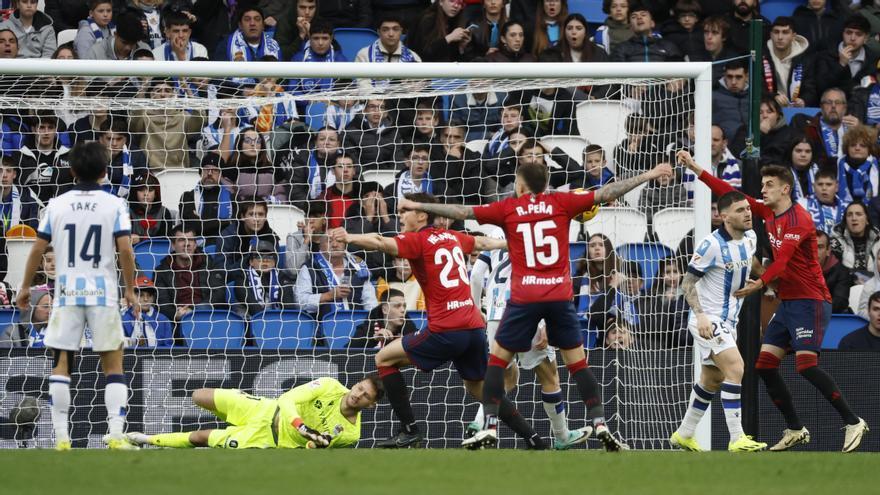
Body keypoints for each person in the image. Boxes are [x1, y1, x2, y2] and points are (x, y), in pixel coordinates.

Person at [401, 161, 674, 451]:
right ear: (545, 184)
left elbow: (461, 212)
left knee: (497, 363)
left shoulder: (508, 209)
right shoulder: (562, 201)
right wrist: (649, 174)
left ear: (520, 185)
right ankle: (599, 423)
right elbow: (607, 193)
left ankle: (490, 426)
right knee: (577, 365)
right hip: (558, 297)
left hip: (523, 299)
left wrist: (414, 203)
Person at [678, 149, 869, 452]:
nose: (762, 190)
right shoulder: (767, 213)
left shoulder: (801, 219)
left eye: (768, 185)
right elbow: (729, 193)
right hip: (788, 302)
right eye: (763, 185)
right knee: (765, 366)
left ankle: (853, 420)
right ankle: (795, 428)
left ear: (785, 189)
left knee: (806, 365)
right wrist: (696, 169)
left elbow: (782, 263)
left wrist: (760, 284)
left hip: (811, 300)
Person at [331, 192, 545, 449]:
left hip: (447, 329)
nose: (400, 217)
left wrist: (350, 236)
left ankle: (409, 430)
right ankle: (533, 438)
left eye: (404, 211)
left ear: (421, 215)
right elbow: (482, 243)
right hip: (473, 328)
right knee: (478, 389)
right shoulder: (453, 237)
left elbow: (380, 241)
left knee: (383, 359)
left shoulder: (418, 240)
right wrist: (511, 244)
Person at [15, 141, 139, 451]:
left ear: (71, 170)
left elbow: (38, 248)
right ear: (105, 172)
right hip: (103, 293)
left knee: (62, 364)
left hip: (68, 293)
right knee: (113, 365)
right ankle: (114, 434)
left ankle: (61, 437)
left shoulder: (57, 204)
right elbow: (125, 249)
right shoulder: (114, 204)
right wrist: (130, 289)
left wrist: (26, 287)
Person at [468, 232, 592, 449]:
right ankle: (562, 436)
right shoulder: (533, 235)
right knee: (549, 375)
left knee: (504, 375)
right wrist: (544, 322)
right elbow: (541, 280)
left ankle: (479, 425)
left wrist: (477, 309)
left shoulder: (495, 236)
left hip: (495, 316)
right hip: (525, 312)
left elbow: (476, 275)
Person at [669, 190, 767, 452]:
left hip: (729, 320)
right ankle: (737, 438)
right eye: (740, 210)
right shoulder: (710, 245)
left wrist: (763, 280)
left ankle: (684, 433)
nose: (747, 213)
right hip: (708, 319)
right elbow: (687, 283)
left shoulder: (751, 237)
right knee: (735, 368)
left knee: (712, 379)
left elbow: (751, 262)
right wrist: (700, 315)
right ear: (724, 217)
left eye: (747, 208)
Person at [125, 376, 385, 449]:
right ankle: (228, 416)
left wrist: (314, 443)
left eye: (366, 396)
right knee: (198, 395)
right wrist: (301, 426)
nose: (358, 394)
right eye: (360, 387)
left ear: (370, 405)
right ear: (356, 382)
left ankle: (145, 440)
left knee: (200, 438)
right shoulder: (329, 386)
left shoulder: (351, 434)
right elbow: (287, 398)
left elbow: (315, 452)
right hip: (264, 408)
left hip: (266, 439)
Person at [295, 232, 378, 321]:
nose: (335, 245)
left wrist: (370, 325)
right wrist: (328, 296)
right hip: (323, 329)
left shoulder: (357, 266)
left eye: (339, 241)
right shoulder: (310, 267)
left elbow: (370, 301)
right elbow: (300, 302)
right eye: (329, 241)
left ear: (345, 244)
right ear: (320, 245)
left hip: (358, 326)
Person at [155, 223, 227, 324]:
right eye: (181, 240)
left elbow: (219, 294)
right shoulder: (162, 271)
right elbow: (162, 303)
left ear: (195, 244)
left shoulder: (209, 263)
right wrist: (176, 314)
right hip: (180, 320)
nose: (187, 244)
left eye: (191, 240)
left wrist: (194, 311)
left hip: (207, 316)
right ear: (173, 245)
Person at [815, 14, 878, 100]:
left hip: (862, 108)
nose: (852, 38)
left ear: (866, 38)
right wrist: (841, 65)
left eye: (858, 34)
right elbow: (821, 89)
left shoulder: (873, 59)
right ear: (843, 34)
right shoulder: (826, 56)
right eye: (848, 33)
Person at [178, 152, 235, 247]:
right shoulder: (188, 197)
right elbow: (191, 227)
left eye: (215, 170)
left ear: (221, 175)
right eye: (206, 169)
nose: (209, 173)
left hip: (225, 248)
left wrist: (202, 222)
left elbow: (234, 226)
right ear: (201, 173)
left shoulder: (232, 198)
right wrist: (226, 221)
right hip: (195, 250)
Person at [354, 15, 422, 90]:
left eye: (395, 29)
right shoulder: (364, 54)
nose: (391, 34)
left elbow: (418, 85)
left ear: (401, 31)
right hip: (371, 99)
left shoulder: (413, 56)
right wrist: (373, 99)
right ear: (379, 32)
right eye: (385, 30)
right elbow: (362, 82)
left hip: (401, 99)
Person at [762, 16, 817, 108]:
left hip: (795, 110)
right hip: (768, 107)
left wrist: (803, 100)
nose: (780, 37)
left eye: (785, 32)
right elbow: (758, 87)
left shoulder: (805, 59)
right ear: (771, 35)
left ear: (793, 36)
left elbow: (811, 89)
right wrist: (773, 97)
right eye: (776, 32)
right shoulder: (761, 55)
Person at [233, 240, 297, 318]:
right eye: (259, 256)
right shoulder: (241, 276)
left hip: (276, 321)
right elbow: (252, 305)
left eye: (270, 256)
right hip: (249, 322)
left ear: (274, 262)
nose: (265, 260)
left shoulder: (282, 277)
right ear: (251, 262)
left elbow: (288, 307)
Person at [216, 200, 280, 273]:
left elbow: (274, 269)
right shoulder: (227, 236)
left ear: (265, 217)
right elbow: (221, 272)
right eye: (251, 214)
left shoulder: (272, 237)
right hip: (235, 281)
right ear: (243, 216)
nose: (257, 219)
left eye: (261, 214)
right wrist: (249, 257)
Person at [610, 2, 682, 62]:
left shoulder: (668, 46)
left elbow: (680, 73)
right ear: (631, 27)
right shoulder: (622, 48)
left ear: (652, 23)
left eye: (643, 15)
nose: (639, 18)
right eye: (634, 17)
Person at [347, 288, 419, 349]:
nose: (403, 310)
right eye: (397, 306)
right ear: (384, 310)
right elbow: (348, 349)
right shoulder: (368, 328)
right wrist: (373, 339)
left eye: (404, 306)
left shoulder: (411, 330)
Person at [406, 0, 471, 63]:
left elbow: (454, 61)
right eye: (451, 1)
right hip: (421, 69)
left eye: (460, 3)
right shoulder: (427, 19)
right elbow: (424, 53)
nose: (456, 6)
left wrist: (461, 48)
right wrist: (450, 38)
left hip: (445, 70)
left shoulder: (453, 21)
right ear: (441, 2)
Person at [830, 202, 880, 280]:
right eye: (849, 215)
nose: (854, 218)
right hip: (846, 285)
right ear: (845, 221)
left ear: (867, 220)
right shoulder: (836, 241)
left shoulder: (878, 240)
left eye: (858, 214)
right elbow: (835, 273)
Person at [121, 276, 174, 348]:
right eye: (141, 295)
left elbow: (169, 347)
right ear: (132, 297)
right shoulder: (124, 319)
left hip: (157, 359)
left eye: (149, 295)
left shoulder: (163, 320)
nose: (146, 299)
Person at [217, 6, 282, 62]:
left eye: (257, 19)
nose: (252, 23)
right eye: (247, 19)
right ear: (240, 25)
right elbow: (219, 74)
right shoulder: (226, 45)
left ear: (263, 26)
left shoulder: (275, 46)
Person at [835, 125, 878, 204]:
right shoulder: (836, 165)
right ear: (847, 148)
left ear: (870, 149)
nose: (857, 148)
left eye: (863, 145)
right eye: (853, 145)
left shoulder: (877, 167)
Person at [86, 10, 151, 60]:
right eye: (124, 42)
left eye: (132, 43)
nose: (128, 48)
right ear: (115, 34)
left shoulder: (145, 50)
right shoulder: (96, 52)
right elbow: (86, 77)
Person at [128, 173, 173, 245]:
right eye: (141, 190)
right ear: (135, 192)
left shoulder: (164, 213)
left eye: (150, 190)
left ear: (156, 194)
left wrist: (140, 238)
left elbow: (165, 241)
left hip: (158, 253)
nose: (146, 193)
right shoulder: (127, 212)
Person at [798, 168, 848, 234]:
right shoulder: (802, 204)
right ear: (814, 187)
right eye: (820, 184)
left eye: (828, 184)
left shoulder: (847, 207)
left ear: (836, 187)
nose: (824, 188)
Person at [712, 59, 750, 144]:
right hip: (724, 146)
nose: (733, 82)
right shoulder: (712, 97)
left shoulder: (755, 96)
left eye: (738, 77)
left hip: (754, 144)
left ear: (746, 77)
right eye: (729, 77)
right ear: (724, 76)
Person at [817, 229, 852, 314]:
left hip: (833, 319)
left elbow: (839, 303)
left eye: (820, 247)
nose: (814, 251)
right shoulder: (798, 270)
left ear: (828, 250)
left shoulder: (841, 272)